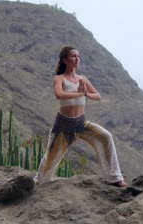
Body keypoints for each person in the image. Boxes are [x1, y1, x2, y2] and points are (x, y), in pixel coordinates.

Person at [33, 46, 127, 187]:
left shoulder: (82, 79)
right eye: (73, 56)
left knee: (106, 137)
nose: (77, 59)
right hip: (64, 126)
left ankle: (115, 178)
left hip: (81, 124)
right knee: (49, 160)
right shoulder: (59, 78)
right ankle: (39, 181)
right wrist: (79, 93)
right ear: (65, 60)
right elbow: (59, 95)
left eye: (78, 56)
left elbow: (98, 96)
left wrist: (86, 93)